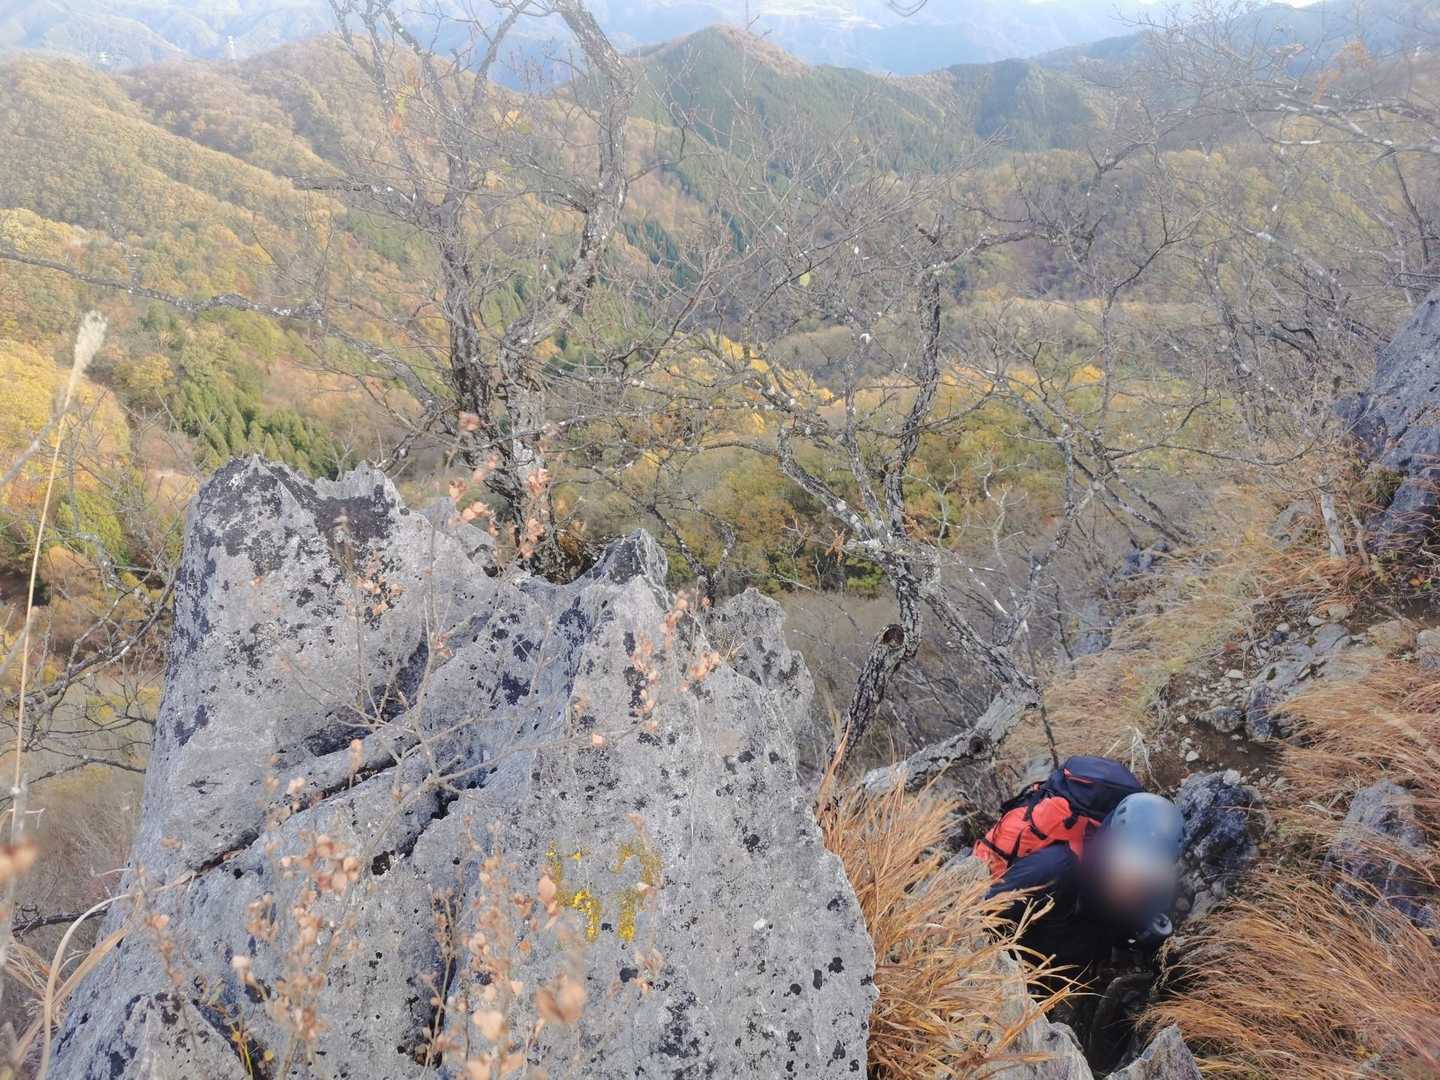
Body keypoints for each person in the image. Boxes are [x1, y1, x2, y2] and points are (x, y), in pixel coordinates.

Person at [986, 791, 1184, 978]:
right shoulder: (1053, 869)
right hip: (1022, 976)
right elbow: (984, 919)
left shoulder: (1150, 894)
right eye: (1127, 864)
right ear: (1108, 847)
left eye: (1147, 873)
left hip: (1079, 972)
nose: (1132, 882)